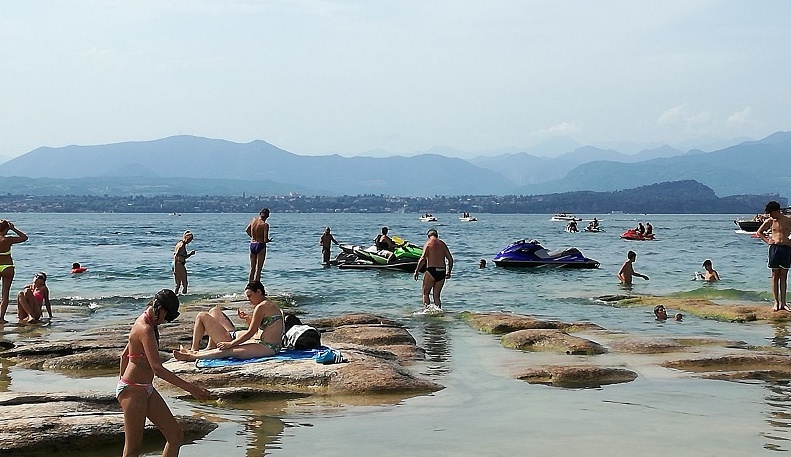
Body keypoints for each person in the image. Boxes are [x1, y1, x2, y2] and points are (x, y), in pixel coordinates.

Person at [117, 289, 210, 457]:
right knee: (133, 450)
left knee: (175, 436)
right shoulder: (144, 328)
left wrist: (121, 382)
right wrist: (191, 388)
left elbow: (125, 355)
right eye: (167, 317)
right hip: (133, 390)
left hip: (145, 388)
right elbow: (157, 369)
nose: (166, 321)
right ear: (159, 308)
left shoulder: (149, 324)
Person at [173, 281, 285, 362]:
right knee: (214, 310)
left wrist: (230, 344)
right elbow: (261, 329)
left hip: (267, 347)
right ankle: (208, 347)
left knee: (229, 350)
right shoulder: (269, 304)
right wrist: (247, 319)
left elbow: (251, 332)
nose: (248, 299)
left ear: (259, 292)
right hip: (245, 338)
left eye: (250, 296)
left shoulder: (262, 307)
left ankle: (192, 355)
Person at [757, 200, 791, 312]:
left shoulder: (788, 220)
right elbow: (759, 232)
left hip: (786, 248)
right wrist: (768, 241)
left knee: (784, 276)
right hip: (775, 248)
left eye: (771, 213)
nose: (770, 215)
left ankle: (784, 303)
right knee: (775, 275)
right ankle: (776, 302)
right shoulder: (770, 221)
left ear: (777, 211)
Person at [414, 228, 453, 310]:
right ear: (437, 235)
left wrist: (417, 271)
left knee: (425, 293)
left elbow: (423, 258)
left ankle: (427, 312)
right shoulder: (442, 244)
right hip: (442, 271)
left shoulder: (428, 243)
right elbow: (450, 259)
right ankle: (438, 312)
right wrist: (449, 272)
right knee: (436, 296)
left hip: (431, 270)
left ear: (428, 236)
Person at [0, 220, 28, 324]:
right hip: (7, 267)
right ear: (6, 229)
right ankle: (1, 318)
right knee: (5, 294)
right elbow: (24, 237)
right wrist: (13, 228)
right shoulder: (8, 239)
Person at [246, 208, 273, 283]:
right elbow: (265, 240)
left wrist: (253, 237)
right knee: (258, 270)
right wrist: (269, 240)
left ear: (260, 213)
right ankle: (256, 287)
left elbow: (247, 230)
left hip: (252, 245)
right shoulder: (265, 225)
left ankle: (249, 286)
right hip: (260, 245)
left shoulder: (254, 220)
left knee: (252, 268)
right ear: (267, 216)